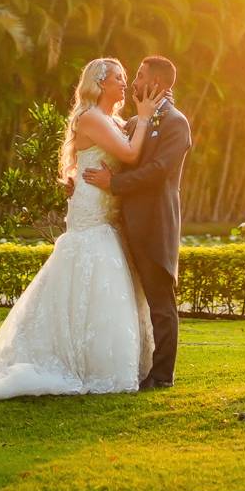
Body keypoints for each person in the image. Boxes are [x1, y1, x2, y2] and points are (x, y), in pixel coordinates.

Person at [0, 57, 156, 399]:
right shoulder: (91, 117)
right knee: (90, 266)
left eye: (125, 78)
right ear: (99, 83)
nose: (124, 83)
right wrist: (146, 116)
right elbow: (130, 155)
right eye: (118, 78)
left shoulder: (113, 120)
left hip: (107, 207)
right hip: (92, 210)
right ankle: (81, 361)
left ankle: (101, 358)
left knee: (108, 278)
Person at [82, 55, 192, 390]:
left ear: (156, 83)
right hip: (122, 223)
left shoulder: (176, 123)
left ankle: (161, 375)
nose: (133, 82)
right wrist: (80, 180)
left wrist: (113, 183)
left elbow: (158, 172)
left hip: (155, 224)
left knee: (161, 302)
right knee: (131, 300)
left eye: (140, 76)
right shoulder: (133, 122)